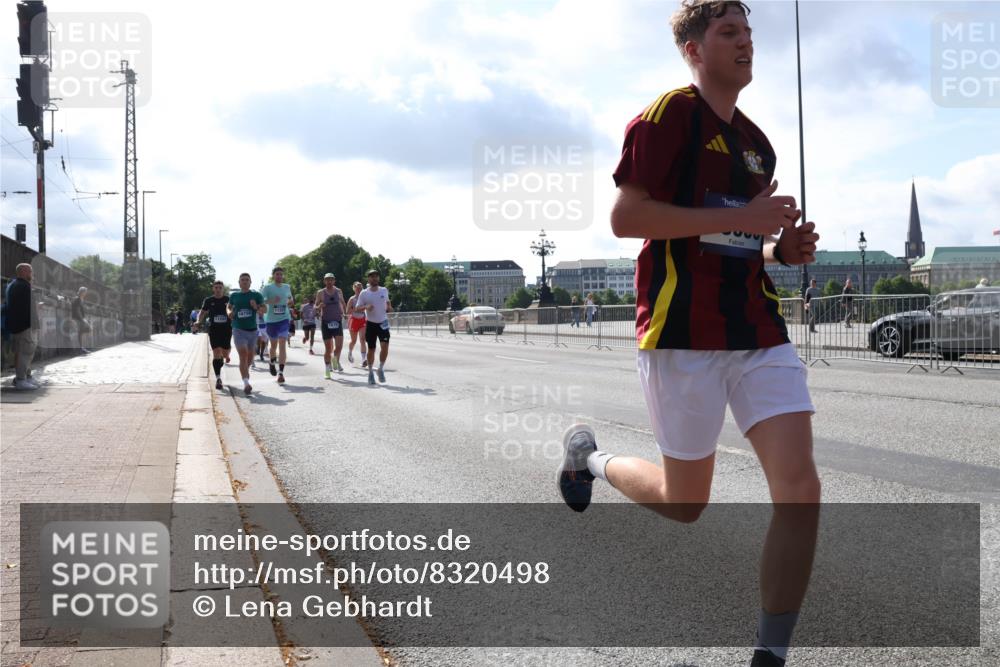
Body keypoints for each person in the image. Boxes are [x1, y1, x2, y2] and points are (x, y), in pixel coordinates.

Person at [556, 4, 821, 667]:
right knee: (685, 504)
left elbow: (739, 245)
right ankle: (588, 458)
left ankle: (771, 655)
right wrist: (754, 218)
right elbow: (627, 218)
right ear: (692, 49)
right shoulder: (666, 116)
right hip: (683, 332)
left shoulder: (759, 145)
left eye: (749, 33)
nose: (746, 42)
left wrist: (780, 251)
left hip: (758, 331)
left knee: (801, 489)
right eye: (729, 32)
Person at [228, 273, 264, 395]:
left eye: (247, 280)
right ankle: (246, 383)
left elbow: (265, 310)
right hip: (238, 329)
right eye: (242, 280)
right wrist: (229, 313)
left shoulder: (256, 295)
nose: (244, 282)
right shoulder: (234, 296)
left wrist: (256, 306)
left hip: (253, 330)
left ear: (250, 282)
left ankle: (245, 372)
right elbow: (228, 307)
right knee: (243, 355)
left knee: (250, 357)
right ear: (239, 282)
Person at [4, 263, 39, 390]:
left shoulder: (12, 285)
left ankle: (26, 377)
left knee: (23, 352)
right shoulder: (23, 286)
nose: (32, 274)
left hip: (17, 325)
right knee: (25, 352)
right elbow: (27, 307)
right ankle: (21, 379)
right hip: (25, 325)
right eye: (30, 272)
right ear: (24, 272)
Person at [354, 269, 392, 385]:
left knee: (385, 346)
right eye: (372, 276)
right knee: (371, 349)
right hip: (371, 323)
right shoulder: (364, 293)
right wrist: (366, 306)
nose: (374, 278)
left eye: (376, 276)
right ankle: (370, 372)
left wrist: (389, 307)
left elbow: (388, 304)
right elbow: (357, 308)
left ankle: (380, 368)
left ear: (378, 278)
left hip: (383, 323)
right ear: (368, 279)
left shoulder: (384, 290)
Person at [261, 266, 294, 384]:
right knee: (273, 345)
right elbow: (261, 301)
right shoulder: (268, 287)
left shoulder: (287, 287)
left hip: (284, 319)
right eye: (277, 274)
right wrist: (271, 302)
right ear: (273, 275)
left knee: (282, 343)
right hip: (271, 320)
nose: (279, 276)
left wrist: (290, 302)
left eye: (281, 274)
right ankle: (271, 361)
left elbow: (291, 300)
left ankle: (281, 373)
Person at [198, 281, 232, 390]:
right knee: (216, 352)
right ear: (213, 289)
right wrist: (198, 321)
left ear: (223, 289)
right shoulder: (209, 300)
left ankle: (225, 355)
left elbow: (233, 311)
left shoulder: (228, 300)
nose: (218, 289)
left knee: (225, 352)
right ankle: (218, 378)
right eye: (216, 287)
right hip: (214, 330)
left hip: (226, 329)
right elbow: (202, 312)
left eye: (220, 288)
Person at [314, 273, 347, 380]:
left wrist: (345, 313)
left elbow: (342, 302)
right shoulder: (321, 292)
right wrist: (319, 306)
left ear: (334, 281)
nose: (329, 282)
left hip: (337, 321)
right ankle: (327, 370)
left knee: (339, 346)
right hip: (326, 322)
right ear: (324, 281)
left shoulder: (338, 291)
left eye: (331, 280)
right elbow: (315, 307)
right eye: (327, 280)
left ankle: (335, 359)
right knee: (328, 349)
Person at [345, 281, 368, 366]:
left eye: (360, 288)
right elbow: (347, 311)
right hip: (354, 320)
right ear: (354, 289)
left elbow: (368, 307)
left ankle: (363, 360)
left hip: (362, 319)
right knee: (354, 341)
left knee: (362, 339)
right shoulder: (352, 299)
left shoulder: (364, 298)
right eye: (357, 288)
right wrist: (356, 309)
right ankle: (350, 352)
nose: (359, 289)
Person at [71, 286, 92, 353]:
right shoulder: (77, 299)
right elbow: (77, 310)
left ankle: (81, 348)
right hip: (78, 319)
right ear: (82, 292)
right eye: (85, 292)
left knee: (84, 332)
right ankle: (81, 348)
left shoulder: (80, 299)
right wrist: (82, 319)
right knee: (82, 332)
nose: (85, 293)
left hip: (79, 318)